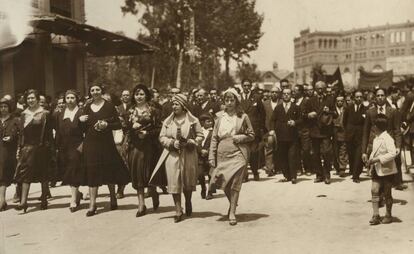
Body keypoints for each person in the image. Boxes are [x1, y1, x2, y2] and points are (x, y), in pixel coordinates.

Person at [79, 85, 130, 217]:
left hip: (106, 143)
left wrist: (107, 125)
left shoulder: (109, 106)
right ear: (90, 93)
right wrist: (81, 121)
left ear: (102, 92)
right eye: (92, 90)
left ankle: (113, 198)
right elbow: (83, 128)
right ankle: (92, 205)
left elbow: (118, 124)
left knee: (109, 170)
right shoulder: (87, 107)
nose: (95, 92)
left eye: (97, 90)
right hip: (91, 143)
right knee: (92, 172)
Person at [151, 94, 203, 223]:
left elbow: (200, 135)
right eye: (172, 104)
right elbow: (161, 137)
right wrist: (171, 143)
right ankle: (178, 209)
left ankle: (188, 201)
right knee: (174, 181)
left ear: (183, 105)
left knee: (187, 180)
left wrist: (192, 141)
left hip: (188, 154)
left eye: (176, 104)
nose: (173, 107)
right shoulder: (168, 121)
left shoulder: (193, 120)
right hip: (172, 155)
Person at [209, 88, 255, 226]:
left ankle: (232, 212)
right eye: (226, 100)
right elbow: (214, 138)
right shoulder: (218, 117)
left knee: (235, 183)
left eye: (231, 100)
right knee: (224, 183)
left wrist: (240, 137)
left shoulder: (243, 116)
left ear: (236, 101)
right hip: (222, 153)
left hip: (238, 153)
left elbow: (252, 135)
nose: (229, 103)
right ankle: (233, 204)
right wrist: (211, 155)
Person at [14, 89, 54, 212]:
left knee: (43, 173)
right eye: (28, 98)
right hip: (27, 148)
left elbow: (49, 133)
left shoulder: (45, 113)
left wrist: (51, 148)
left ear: (37, 99)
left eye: (33, 98)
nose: (30, 100)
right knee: (25, 174)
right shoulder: (23, 114)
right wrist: (19, 148)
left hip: (41, 147)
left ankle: (44, 199)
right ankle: (23, 202)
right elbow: (21, 134)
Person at [126, 84, 162, 217]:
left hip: (150, 146)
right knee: (137, 174)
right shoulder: (130, 111)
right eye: (136, 94)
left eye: (141, 94)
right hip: (135, 147)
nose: (139, 97)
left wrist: (147, 133)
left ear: (146, 95)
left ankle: (153, 192)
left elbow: (159, 129)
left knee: (149, 174)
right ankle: (141, 204)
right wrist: (132, 128)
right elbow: (126, 129)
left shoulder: (154, 111)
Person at [55, 90, 84, 212]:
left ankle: (73, 199)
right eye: (68, 98)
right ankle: (77, 194)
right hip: (64, 147)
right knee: (68, 170)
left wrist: (83, 145)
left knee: (74, 170)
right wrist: (57, 146)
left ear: (76, 99)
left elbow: (86, 131)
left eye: (72, 97)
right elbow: (57, 131)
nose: (70, 100)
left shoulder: (82, 112)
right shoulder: (60, 113)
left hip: (77, 146)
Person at [367, 114, 398, 225]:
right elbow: (374, 152)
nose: (373, 127)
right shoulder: (376, 138)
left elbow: (392, 153)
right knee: (374, 190)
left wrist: (377, 159)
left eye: (374, 125)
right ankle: (376, 215)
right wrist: (370, 159)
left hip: (387, 170)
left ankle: (388, 214)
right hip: (376, 169)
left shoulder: (388, 138)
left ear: (378, 126)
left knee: (387, 193)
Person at [269, 88, 301, 184]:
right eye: (284, 94)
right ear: (282, 95)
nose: (286, 95)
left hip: (292, 136)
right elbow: (272, 120)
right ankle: (287, 175)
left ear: (291, 95)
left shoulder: (296, 107)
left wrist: (295, 122)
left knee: (292, 156)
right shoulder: (278, 108)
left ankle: (293, 176)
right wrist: (272, 130)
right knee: (282, 156)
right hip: (281, 136)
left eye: (288, 93)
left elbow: (301, 120)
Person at [0, 98, 20, 211]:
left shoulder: (15, 120)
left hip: (8, 152)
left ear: (9, 108)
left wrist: (12, 138)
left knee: (5, 175)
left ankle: (3, 200)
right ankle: (2, 200)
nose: (3, 109)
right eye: (1, 107)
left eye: (5, 107)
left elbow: (20, 135)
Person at [343, 90, 367, 182]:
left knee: (358, 155)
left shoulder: (366, 109)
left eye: (360, 97)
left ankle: (356, 175)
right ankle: (353, 171)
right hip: (350, 135)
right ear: (354, 98)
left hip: (360, 136)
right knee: (351, 154)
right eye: (357, 97)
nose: (359, 98)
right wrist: (348, 130)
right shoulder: (348, 108)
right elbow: (344, 122)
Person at [197, 113, 214, 199]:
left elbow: (215, 143)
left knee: (211, 174)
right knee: (200, 174)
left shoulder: (214, 132)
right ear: (202, 123)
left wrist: (208, 151)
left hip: (209, 156)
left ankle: (210, 192)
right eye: (208, 121)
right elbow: (196, 142)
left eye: (211, 121)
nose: (210, 123)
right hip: (200, 156)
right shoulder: (199, 131)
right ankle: (203, 188)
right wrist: (200, 150)